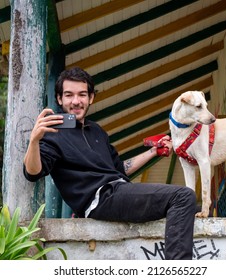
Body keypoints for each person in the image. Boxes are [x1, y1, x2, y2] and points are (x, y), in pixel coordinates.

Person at [23, 67, 196, 260]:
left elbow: (120, 169)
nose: (76, 101)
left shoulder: (96, 131)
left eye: (82, 94)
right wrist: (34, 140)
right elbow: (32, 172)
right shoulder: (52, 132)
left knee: (188, 206)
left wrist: (153, 151)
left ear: (91, 98)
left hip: (119, 192)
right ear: (59, 99)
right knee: (183, 197)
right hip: (99, 199)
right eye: (69, 95)